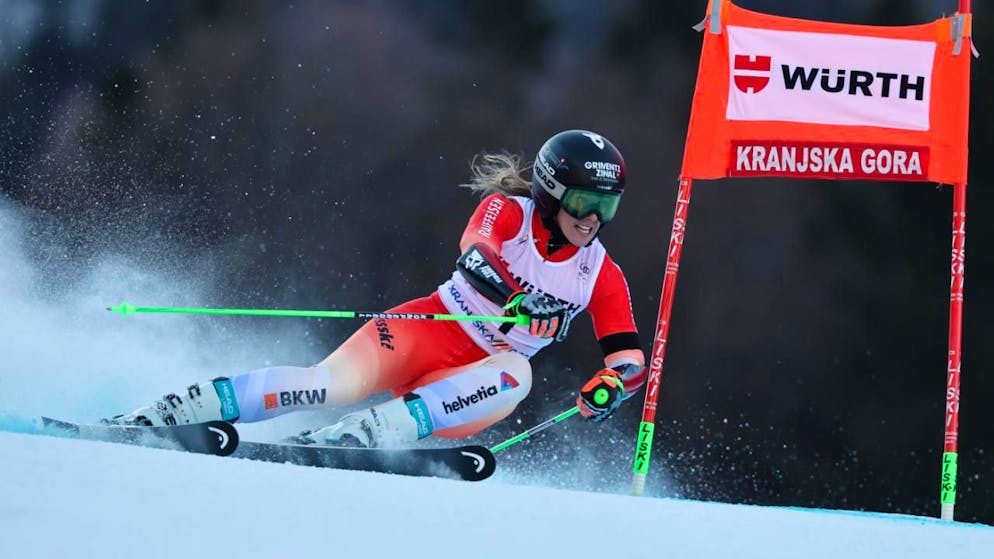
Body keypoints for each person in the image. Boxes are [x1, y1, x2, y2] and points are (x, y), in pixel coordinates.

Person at [109, 130, 647, 448]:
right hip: (427, 328)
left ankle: (359, 436)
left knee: (518, 373)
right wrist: (518, 302)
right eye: (584, 203)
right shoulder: (508, 211)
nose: (594, 219)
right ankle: (172, 410)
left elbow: (628, 358)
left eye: (609, 206)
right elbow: (473, 255)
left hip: (476, 383)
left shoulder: (600, 273)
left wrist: (611, 385)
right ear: (552, 193)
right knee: (326, 386)